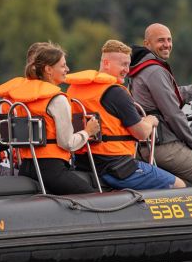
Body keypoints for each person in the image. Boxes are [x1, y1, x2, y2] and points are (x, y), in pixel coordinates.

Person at [67, 40, 185, 190]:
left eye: (128, 65)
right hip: (117, 167)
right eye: (123, 64)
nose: (127, 70)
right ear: (106, 63)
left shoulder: (74, 89)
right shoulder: (115, 92)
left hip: (84, 163)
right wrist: (150, 120)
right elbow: (141, 133)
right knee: (180, 186)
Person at [128, 23, 192, 186]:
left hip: (145, 144)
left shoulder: (139, 68)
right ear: (147, 44)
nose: (167, 45)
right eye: (161, 40)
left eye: (169, 40)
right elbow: (173, 113)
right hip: (162, 145)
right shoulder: (154, 71)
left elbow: (173, 94)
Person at [0, 43, 101, 195]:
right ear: (49, 70)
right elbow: (67, 143)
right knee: (93, 197)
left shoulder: (20, 97)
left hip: (26, 167)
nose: (67, 70)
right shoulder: (57, 99)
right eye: (63, 66)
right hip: (51, 170)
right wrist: (88, 132)